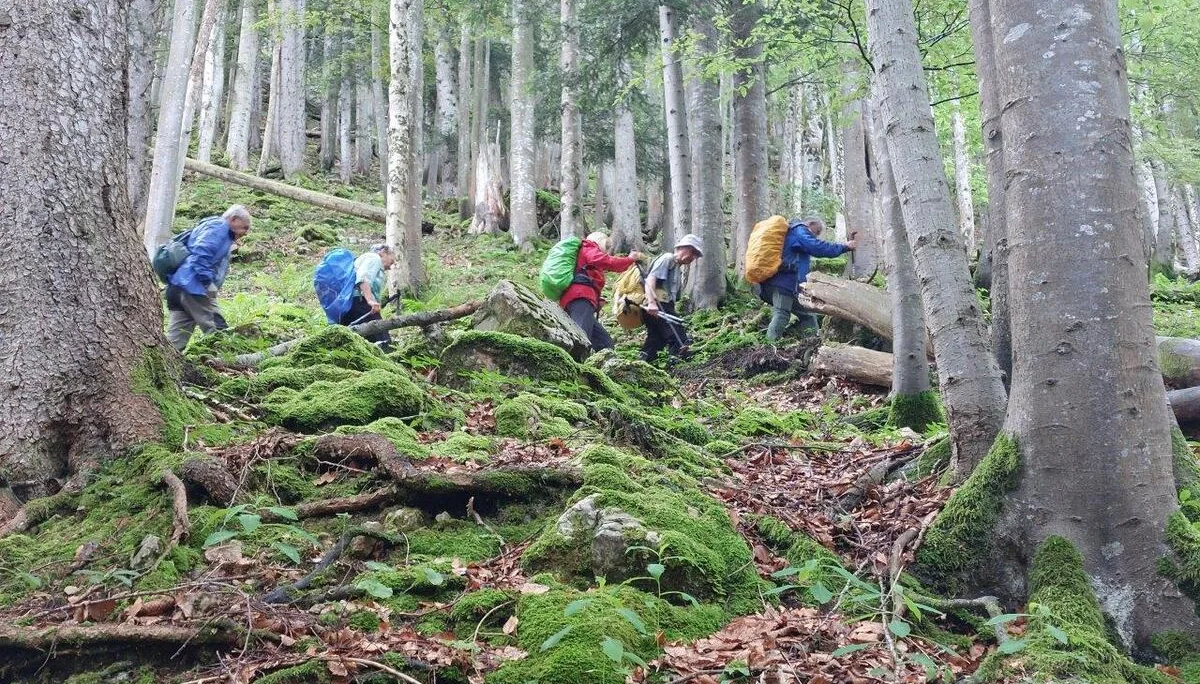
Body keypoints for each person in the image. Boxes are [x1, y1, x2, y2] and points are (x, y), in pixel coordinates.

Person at [754, 217, 856, 341]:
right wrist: (844, 247)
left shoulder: (793, 233)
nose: (816, 235)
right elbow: (817, 247)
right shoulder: (799, 231)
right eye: (817, 231)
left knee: (808, 315)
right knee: (782, 314)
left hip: (788, 286)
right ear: (810, 224)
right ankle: (768, 348)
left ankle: (812, 347)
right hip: (782, 284)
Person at [166, 205, 251, 351]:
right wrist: (207, 282)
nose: (245, 232)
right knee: (217, 329)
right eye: (244, 227)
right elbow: (201, 254)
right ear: (234, 219)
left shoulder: (211, 226)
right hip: (194, 288)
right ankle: (225, 365)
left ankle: (165, 367)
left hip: (178, 286)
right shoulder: (219, 228)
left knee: (175, 341)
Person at [559, 232, 643, 352]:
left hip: (581, 299)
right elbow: (605, 261)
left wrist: (597, 301)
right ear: (600, 241)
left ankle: (597, 363)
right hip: (580, 298)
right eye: (606, 246)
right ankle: (574, 366)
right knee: (581, 338)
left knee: (605, 343)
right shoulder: (588, 246)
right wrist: (629, 260)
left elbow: (588, 277)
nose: (607, 250)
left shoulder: (584, 253)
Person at [640, 234, 704, 363]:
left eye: (696, 254)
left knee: (656, 338)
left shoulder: (676, 267)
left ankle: (644, 362)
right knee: (678, 336)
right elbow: (651, 279)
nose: (693, 257)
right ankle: (678, 366)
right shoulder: (667, 259)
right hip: (657, 304)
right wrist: (652, 303)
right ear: (683, 248)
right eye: (693, 252)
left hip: (663, 305)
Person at [341, 243, 396, 350]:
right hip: (360, 303)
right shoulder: (374, 258)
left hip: (349, 304)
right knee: (382, 339)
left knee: (353, 342)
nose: (390, 266)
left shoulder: (364, 259)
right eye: (392, 261)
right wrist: (370, 300)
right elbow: (363, 279)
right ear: (383, 252)